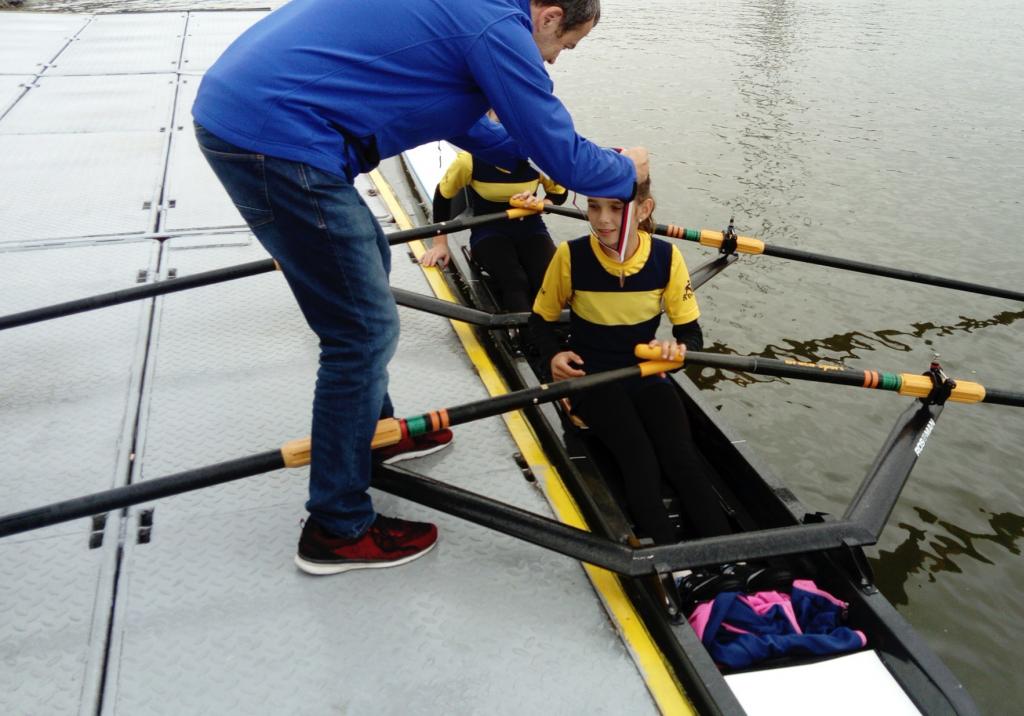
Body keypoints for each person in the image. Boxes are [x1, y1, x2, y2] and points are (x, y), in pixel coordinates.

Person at [191, 0, 649, 576]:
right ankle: (337, 527)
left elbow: (471, 127)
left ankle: (375, 435)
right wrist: (627, 170)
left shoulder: (473, 11)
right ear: (551, 15)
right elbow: (566, 158)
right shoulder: (498, 26)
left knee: (369, 263)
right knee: (360, 332)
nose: (556, 59)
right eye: (565, 45)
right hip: (274, 137)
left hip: (253, 114)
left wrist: (555, 158)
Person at [525, 179, 734, 548]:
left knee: (682, 459)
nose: (602, 219)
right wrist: (554, 355)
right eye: (593, 206)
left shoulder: (667, 257)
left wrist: (676, 352)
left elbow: (691, 335)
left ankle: (729, 555)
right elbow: (540, 321)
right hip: (591, 376)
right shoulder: (571, 255)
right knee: (639, 458)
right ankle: (672, 565)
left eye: (616, 208)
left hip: (646, 374)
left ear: (644, 210)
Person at [422, 112, 568, 315]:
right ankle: (525, 330)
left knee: (549, 280)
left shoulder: (537, 157)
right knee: (515, 280)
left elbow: (559, 194)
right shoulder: (469, 160)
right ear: (488, 121)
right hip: (488, 231)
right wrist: (440, 244)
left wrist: (541, 203)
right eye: (499, 122)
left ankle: (560, 329)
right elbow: (442, 197)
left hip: (531, 229)